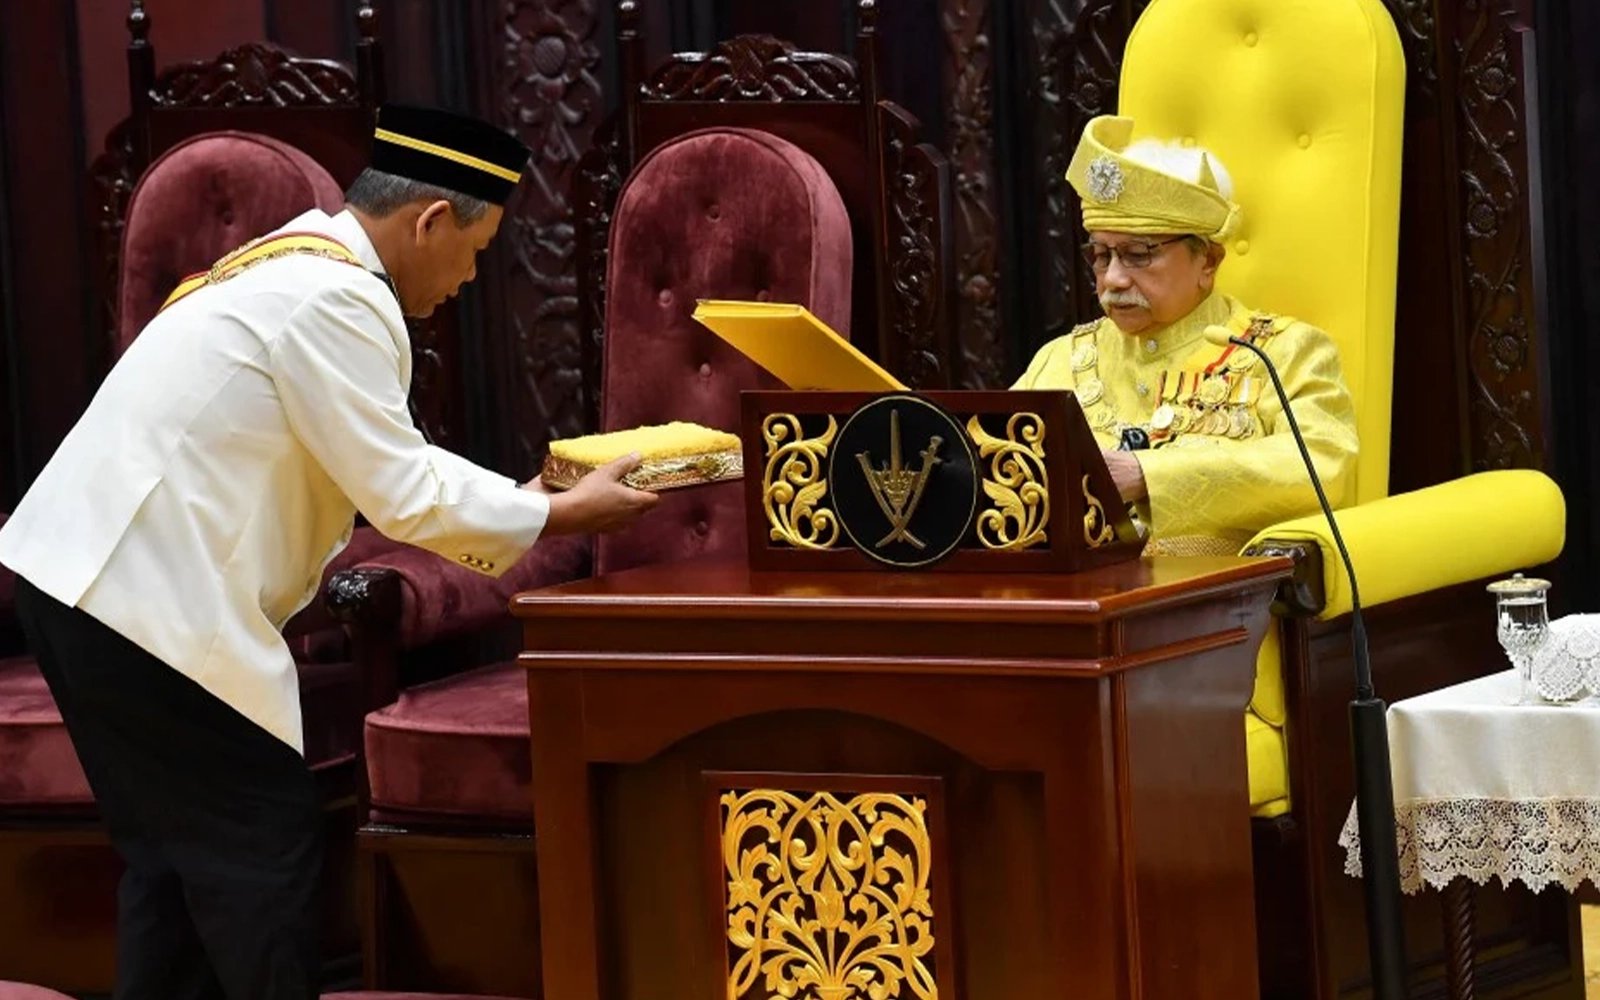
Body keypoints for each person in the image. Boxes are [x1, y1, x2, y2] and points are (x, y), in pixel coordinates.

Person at [0, 104, 656, 1000]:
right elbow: (404, 489)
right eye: (473, 250)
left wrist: (520, 502)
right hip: (137, 602)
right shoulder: (337, 295)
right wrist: (561, 517)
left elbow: (382, 457)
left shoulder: (294, 262)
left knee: (178, 865)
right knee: (257, 850)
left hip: (77, 583)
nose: (467, 278)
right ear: (429, 221)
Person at [1013, 115, 1359, 555]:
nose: (1114, 279)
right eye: (1101, 256)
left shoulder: (1281, 352)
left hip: (1219, 613)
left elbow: (1323, 468)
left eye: (1138, 255)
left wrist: (1147, 474)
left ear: (1208, 262)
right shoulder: (1059, 359)